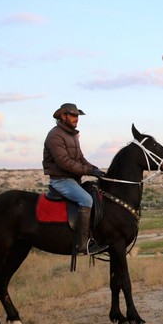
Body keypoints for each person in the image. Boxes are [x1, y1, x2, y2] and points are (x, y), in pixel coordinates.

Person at [43, 103, 108, 255]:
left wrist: (95, 169)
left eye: (77, 116)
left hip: (73, 180)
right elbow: (64, 163)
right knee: (86, 200)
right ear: (63, 116)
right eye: (73, 115)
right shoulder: (55, 135)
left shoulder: (72, 135)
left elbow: (80, 158)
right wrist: (89, 171)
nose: (76, 119)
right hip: (61, 180)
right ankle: (82, 245)